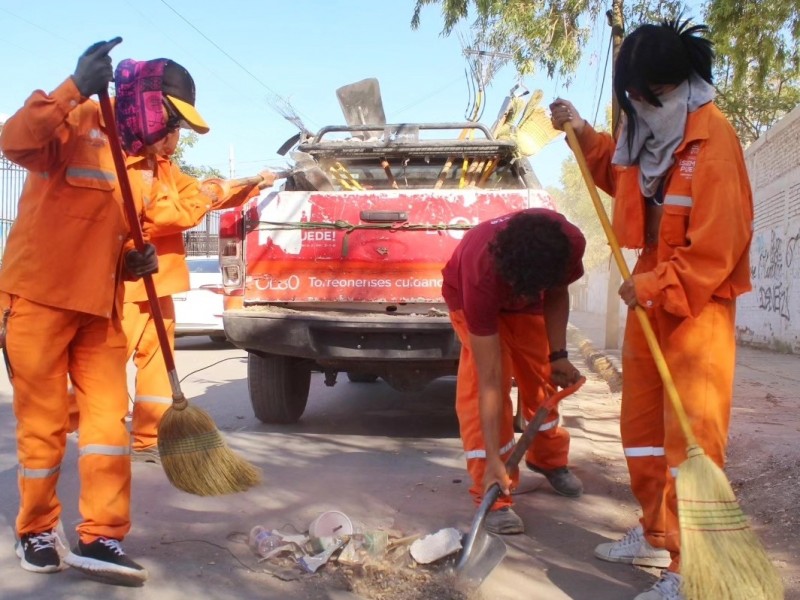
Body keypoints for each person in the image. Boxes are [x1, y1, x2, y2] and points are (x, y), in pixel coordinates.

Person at [549, 18, 753, 600]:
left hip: (696, 303)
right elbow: (619, 171)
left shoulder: (714, 141)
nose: (632, 102)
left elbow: (721, 242)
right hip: (650, 287)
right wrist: (582, 132)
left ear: (665, 87)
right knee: (641, 426)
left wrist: (660, 284)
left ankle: (691, 569)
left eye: (638, 93)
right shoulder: (649, 132)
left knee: (691, 436)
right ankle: (656, 528)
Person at [0, 38, 163, 585]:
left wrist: (133, 260)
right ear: (145, 102)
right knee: (43, 428)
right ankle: (37, 530)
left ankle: (101, 537)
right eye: (172, 118)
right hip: (39, 300)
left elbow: (107, 233)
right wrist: (72, 86)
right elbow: (13, 141)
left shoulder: (144, 166)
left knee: (106, 427)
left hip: (101, 310)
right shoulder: (78, 120)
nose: (174, 133)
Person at [111, 58, 276, 464]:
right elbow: (170, 214)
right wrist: (198, 200)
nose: (175, 139)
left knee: (154, 367)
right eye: (173, 127)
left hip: (160, 284)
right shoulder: (122, 164)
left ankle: (148, 437)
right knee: (109, 366)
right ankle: (107, 438)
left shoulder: (163, 168)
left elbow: (203, 192)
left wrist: (247, 184)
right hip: (125, 286)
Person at [441, 208, 586, 535]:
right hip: (471, 302)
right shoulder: (482, 276)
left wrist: (558, 355)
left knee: (542, 379)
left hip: (528, 304)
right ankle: (492, 489)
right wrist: (494, 457)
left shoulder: (569, 243)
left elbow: (559, 291)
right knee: (481, 386)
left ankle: (547, 459)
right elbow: (491, 382)